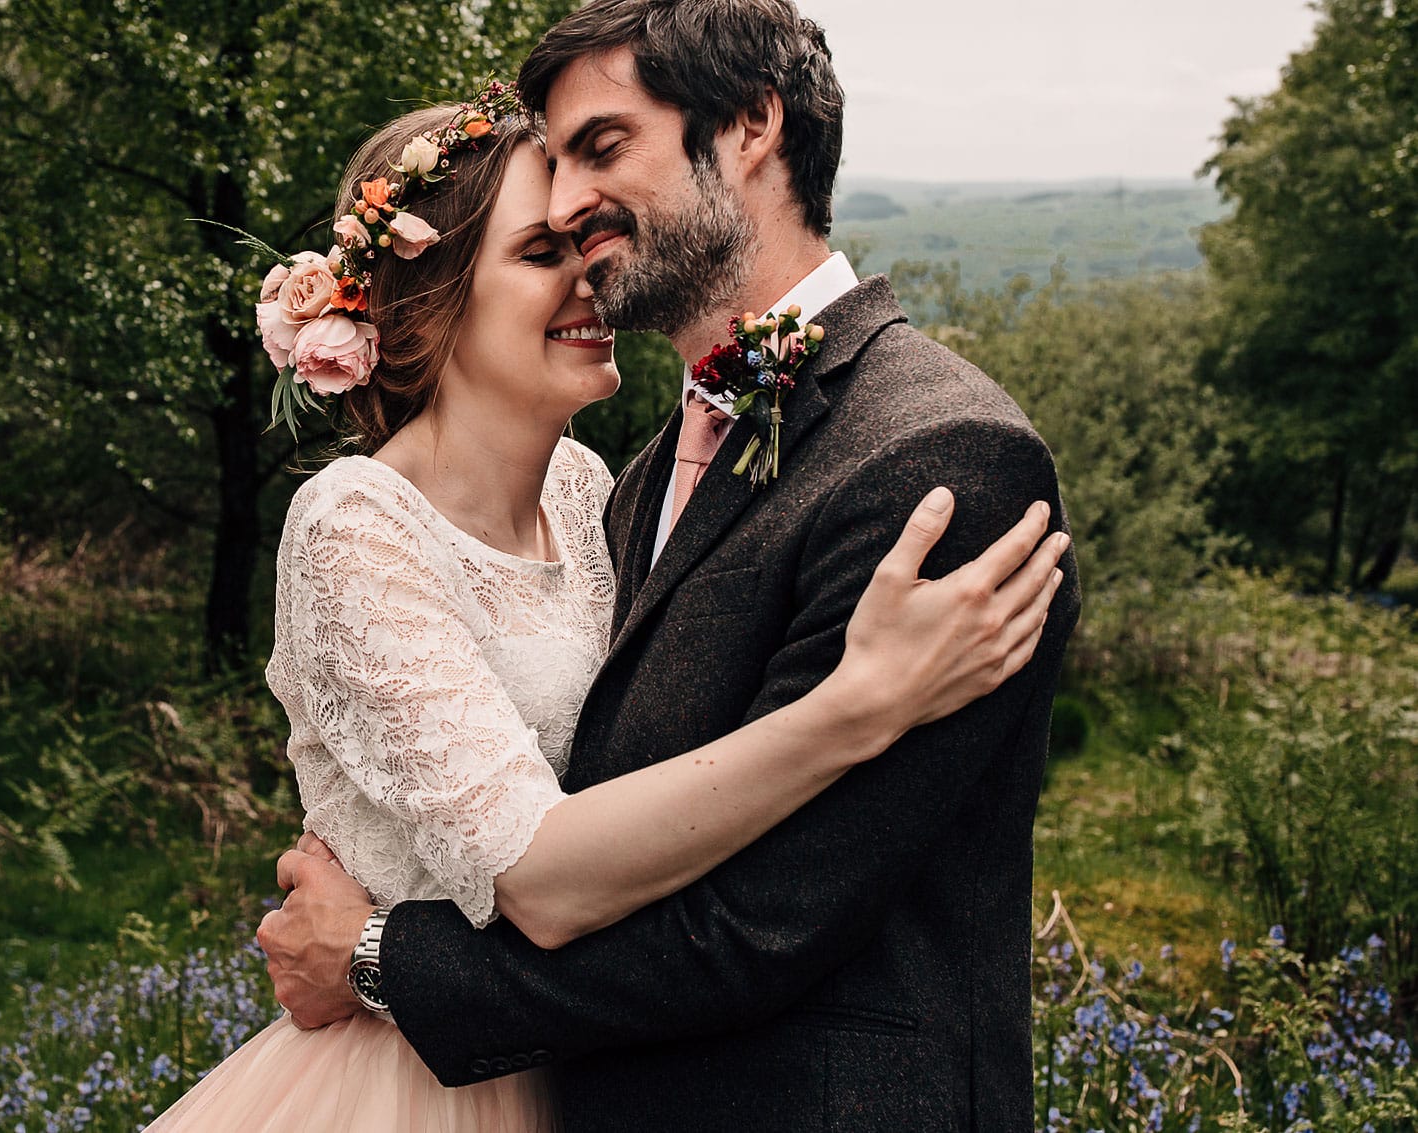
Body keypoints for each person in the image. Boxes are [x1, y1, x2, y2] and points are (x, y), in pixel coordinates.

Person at [146, 65, 1070, 1133]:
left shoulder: (598, 489)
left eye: (578, 240)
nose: (588, 272)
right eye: (540, 253)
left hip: (579, 1059)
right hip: (418, 1087)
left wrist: (369, 954)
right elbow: (536, 869)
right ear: (422, 306)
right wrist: (850, 707)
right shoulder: (355, 521)